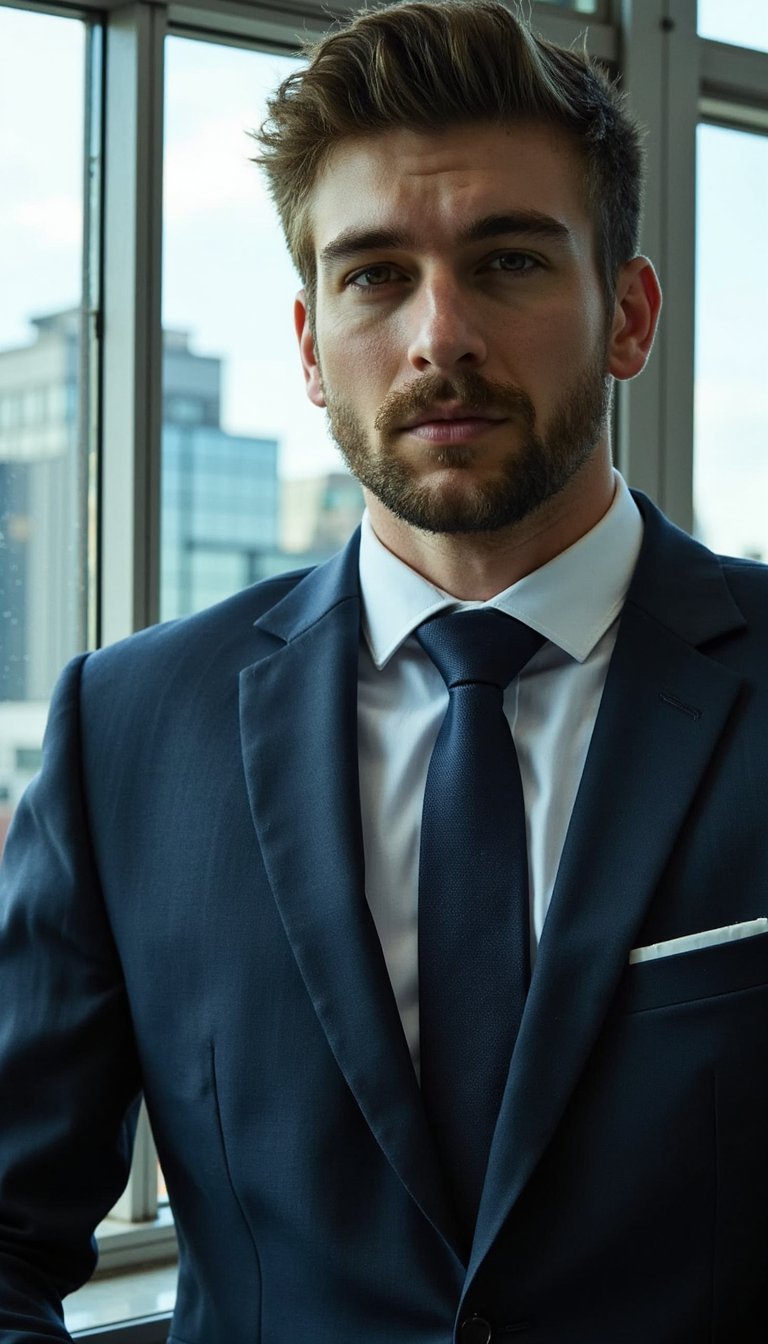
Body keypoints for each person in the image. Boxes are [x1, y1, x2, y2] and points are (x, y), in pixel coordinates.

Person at [1, 1, 767, 1339]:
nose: (439, 338)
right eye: (373, 275)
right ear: (308, 344)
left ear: (629, 314)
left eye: (511, 261)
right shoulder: (128, 732)